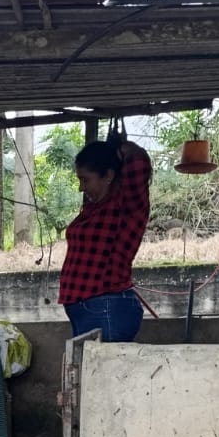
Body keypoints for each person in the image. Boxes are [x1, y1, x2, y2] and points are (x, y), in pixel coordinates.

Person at [59, 133, 153, 341]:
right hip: (92, 308)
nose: (81, 187)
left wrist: (123, 148)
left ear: (108, 176)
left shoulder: (126, 206)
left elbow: (138, 163)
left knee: (102, 363)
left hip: (107, 306)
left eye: (85, 179)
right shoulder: (94, 208)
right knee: (89, 363)